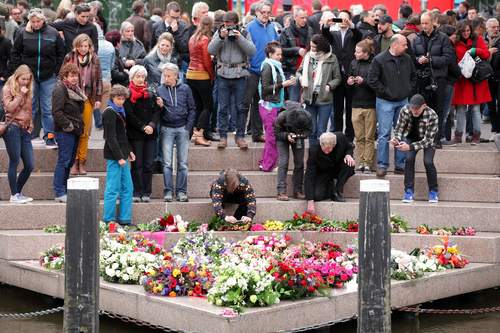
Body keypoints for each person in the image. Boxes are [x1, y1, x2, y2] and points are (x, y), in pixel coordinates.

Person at [10, 8, 65, 147]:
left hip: (48, 75)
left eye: (38, 21)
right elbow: (15, 52)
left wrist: (56, 70)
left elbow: (61, 52)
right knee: (30, 106)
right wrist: (18, 72)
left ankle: (49, 136)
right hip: (29, 77)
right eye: (33, 21)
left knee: (48, 108)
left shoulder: (53, 33)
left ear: (43, 20)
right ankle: (28, 135)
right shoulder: (23, 33)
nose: (35, 24)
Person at [368, 34, 416, 178]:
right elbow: (372, 80)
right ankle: (382, 165)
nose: (407, 47)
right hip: (385, 102)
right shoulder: (379, 59)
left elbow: (414, 76)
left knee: (402, 133)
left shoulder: (407, 59)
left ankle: (400, 165)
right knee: (384, 135)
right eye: (404, 45)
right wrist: (386, 92)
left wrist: (408, 89)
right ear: (394, 44)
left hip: (403, 100)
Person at [208, 11, 256, 149]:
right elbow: (210, 50)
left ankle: (240, 136)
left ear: (235, 22)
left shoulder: (244, 33)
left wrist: (240, 38)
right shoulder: (220, 32)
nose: (226, 25)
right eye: (225, 22)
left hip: (240, 74)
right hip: (223, 74)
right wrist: (220, 38)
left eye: (229, 23)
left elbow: (252, 51)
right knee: (222, 107)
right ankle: (223, 136)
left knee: (241, 108)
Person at [412, 12, 455, 148]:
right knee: (423, 109)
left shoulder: (443, 38)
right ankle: (424, 137)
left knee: (438, 109)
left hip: (438, 78)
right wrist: (419, 60)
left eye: (426, 23)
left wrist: (431, 60)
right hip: (422, 78)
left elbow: (448, 58)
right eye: (422, 23)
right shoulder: (417, 38)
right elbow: (412, 57)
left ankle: (436, 139)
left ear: (433, 22)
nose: (424, 26)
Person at [62, 34, 103, 175]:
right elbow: (62, 76)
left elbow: (98, 80)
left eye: (86, 46)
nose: (83, 49)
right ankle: (74, 161)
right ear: (76, 46)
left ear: (90, 46)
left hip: (87, 98)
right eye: (81, 46)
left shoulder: (95, 59)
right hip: (71, 98)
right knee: (74, 130)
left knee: (84, 131)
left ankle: (82, 161)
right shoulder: (70, 57)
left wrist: (98, 98)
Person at [157, 63, 196, 202]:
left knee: (183, 163)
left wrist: (188, 127)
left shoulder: (185, 88)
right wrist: (160, 107)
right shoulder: (160, 90)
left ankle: (181, 191)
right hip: (167, 128)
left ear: (176, 76)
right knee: (167, 163)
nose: (165, 78)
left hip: (182, 128)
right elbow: (156, 113)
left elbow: (192, 108)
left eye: (168, 76)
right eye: (164, 75)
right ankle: (168, 191)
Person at [321, 10, 362, 141]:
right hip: (337, 74)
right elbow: (325, 35)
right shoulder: (334, 33)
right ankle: (338, 134)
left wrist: (351, 25)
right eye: (340, 19)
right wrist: (327, 24)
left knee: (350, 107)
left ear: (349, 20)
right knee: (337, 108)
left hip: (350, 74)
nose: (342, 22)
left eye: (345, 19)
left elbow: (359, 36)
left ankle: (350, 135)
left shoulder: (353, 33)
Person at [391, 94, 439, 203]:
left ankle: (433, 191)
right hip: (411, 137)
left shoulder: (432, 115)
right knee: (408, 159)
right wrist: (396, 139)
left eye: (417, 108)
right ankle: (408, 191)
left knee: (428, 162)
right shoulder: (405, 110)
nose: (414, 111)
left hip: (428, 139)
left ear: (424, 106)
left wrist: (410, 147)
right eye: (412, 108)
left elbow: (428, 141)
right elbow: (399, 128)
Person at [124, 65, 161, 203]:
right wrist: (143, 127)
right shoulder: (128, 94)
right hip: (136, 134)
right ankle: (137, 191)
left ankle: (147, 192)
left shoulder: (151, 92)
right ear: (132, 78)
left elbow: (157, 110)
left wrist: (151, 125)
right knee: (137, 164)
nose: (140, 79)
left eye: (142, 77)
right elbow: (129, 115)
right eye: (137, 76)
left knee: (148, 164)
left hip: (151, 134)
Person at [243, 1, 279, 143]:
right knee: (245, 103)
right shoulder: (249, 27)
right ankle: (240, 133)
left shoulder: (272, 27)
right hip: (252, 71)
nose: (265, 15)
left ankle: (257, 134)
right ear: (257, 13)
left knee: (261, 103)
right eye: (263, 12)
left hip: (267, 72)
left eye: (268, 12)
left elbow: (276, 47)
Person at [452, 20, 492, 145]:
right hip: (462, 80)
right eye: (463, 31)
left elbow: (486, 54)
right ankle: (458, 136)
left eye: (468, 30)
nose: (466, 33)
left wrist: (476, 50)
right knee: (460, 108)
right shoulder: (455, 42)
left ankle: (476, 136)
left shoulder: (478, 39)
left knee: (475, 109)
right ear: (459, 31)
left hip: (476, 80)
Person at [258, 41, 296, 172]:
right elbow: (265, 89)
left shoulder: (274, 65)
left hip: (274, 105)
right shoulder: (268, 66)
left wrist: (287, 83)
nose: (280, 57)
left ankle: (266, 162)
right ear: (270, 54)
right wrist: (283, 85)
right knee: (271, 137)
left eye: (281, 54)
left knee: (272, 137)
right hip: (269, 106)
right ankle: (268, 165)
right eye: (278, 54)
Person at [298, 34, 341, 145]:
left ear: (321, 47)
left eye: (314, 47)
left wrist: (330, 85)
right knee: (312, 130)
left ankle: (320, 156)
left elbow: (337, 78)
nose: (311, 49)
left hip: (325, 98)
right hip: (309, 97)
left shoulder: (332, 58)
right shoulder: (308, 56)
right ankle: (313, 155)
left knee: (321, 130)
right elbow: (299, 71)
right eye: (311, 46)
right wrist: (300, 77)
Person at [52, 63, 85, 203]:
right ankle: (59, 191)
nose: (74, 78)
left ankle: (64, 189)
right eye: (71, 76)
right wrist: (68, 125)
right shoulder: (60, 89)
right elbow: (56, 112)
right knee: (64, 161)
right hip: (65, 131)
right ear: (65, 76)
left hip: (75, 130)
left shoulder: (76, 90)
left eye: (76, 75)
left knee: (70, 161)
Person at [102, 84, 135, 225]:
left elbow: (123, 135)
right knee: (112, 188)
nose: (120, 101)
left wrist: (129, 151)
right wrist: (119, 157)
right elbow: (110, 137)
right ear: (112, 98)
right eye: (118, 98)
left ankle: (125, 218)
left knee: (128, 188)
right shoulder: (109, 112)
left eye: (122, 99)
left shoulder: (121, 111)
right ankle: (109, 219)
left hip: (123, 154)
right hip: (115, 156)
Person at [2, 65, 34, 204]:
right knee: (14, 160)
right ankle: (14, 194)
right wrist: (20, 94)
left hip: (25, 129)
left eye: (28, 79)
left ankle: (18, 191)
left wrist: (31, 123)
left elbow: (29, 108)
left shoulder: (28, 88)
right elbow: (9, 108)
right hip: (12, 128)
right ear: (17, 77)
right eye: (23, 79)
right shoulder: (8, 88)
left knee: (30, 164)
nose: (25, 82)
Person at [305, 132, 355, 213]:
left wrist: (348, 155)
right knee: (317, 196)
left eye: (329, 149)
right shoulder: (314, 150)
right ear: (321, 144)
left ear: (334, 145)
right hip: (323, 172)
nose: (327, 151)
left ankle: (337, 190)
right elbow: (309, 175)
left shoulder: (340, 138)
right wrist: (310, 201)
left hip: (337, 167)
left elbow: (349, 146)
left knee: (350, 164)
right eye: (324, 149)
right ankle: (330, 187)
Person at [186, 15, 215, 146]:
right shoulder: (205, 40)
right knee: (208, 106)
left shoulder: (192, 38)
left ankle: (194, 133)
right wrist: (212, 76)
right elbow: (207, 61)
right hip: (201, 75)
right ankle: (199, 134)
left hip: (190, 74)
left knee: (198, 106)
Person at [348, 39, 376, 173]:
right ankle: (360, 162)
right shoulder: (353, 63)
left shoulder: (374, 63)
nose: (355, 54)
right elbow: (349, 76)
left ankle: (368, 163)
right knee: (359, 137)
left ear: (366, 53)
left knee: (369, 137)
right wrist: (349, 81)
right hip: (356, 103)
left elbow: (376, 84)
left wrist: (363, 81)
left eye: (358, 52)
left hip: (370, 104)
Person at [274, 102, 312, 201]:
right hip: (283, 135)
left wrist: (298, 135)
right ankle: (281, 191)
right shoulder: (281, 117)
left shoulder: (308, 117)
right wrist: (287, 135)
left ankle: (298, 190)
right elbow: (276, 133)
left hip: (299, 137)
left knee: (299, 163)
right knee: (283, 162)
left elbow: (309, 132)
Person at [280, 8, 312, 102]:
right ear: (295, 17)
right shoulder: (286, 31)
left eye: (306, 18)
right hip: (291, 70)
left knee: (306, 100)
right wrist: (297, 50)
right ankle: (292, 116)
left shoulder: (310, 30)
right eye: (302, 18)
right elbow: (281, 50)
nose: (304, 20)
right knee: (294, 99)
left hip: (307, 69)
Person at [151, 1, 189, 67]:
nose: (175, 20)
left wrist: (176, 33)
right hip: (158, 63)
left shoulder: (184, 27)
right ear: (166, 14)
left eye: (177, 17)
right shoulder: (156, 26)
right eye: (173, 17)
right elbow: (152, 45)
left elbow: (184, 49)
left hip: (176, 63)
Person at [95, 24, 115, 130]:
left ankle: (98, 122)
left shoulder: (91, 45)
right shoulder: (109, 45)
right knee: (104, 100)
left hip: (94, 78)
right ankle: (103, 122)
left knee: (94, 99)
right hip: (107, 77)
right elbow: (112, 64)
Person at [486, 18, 500, 139]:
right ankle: (494, 129)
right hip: (488, 78)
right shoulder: (483, 41)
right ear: (487, 28)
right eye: (493, 27)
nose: (496, 29)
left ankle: (498, 130)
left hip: (499, 76)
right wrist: (488, 52)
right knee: (490, 106)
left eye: (497, 27)